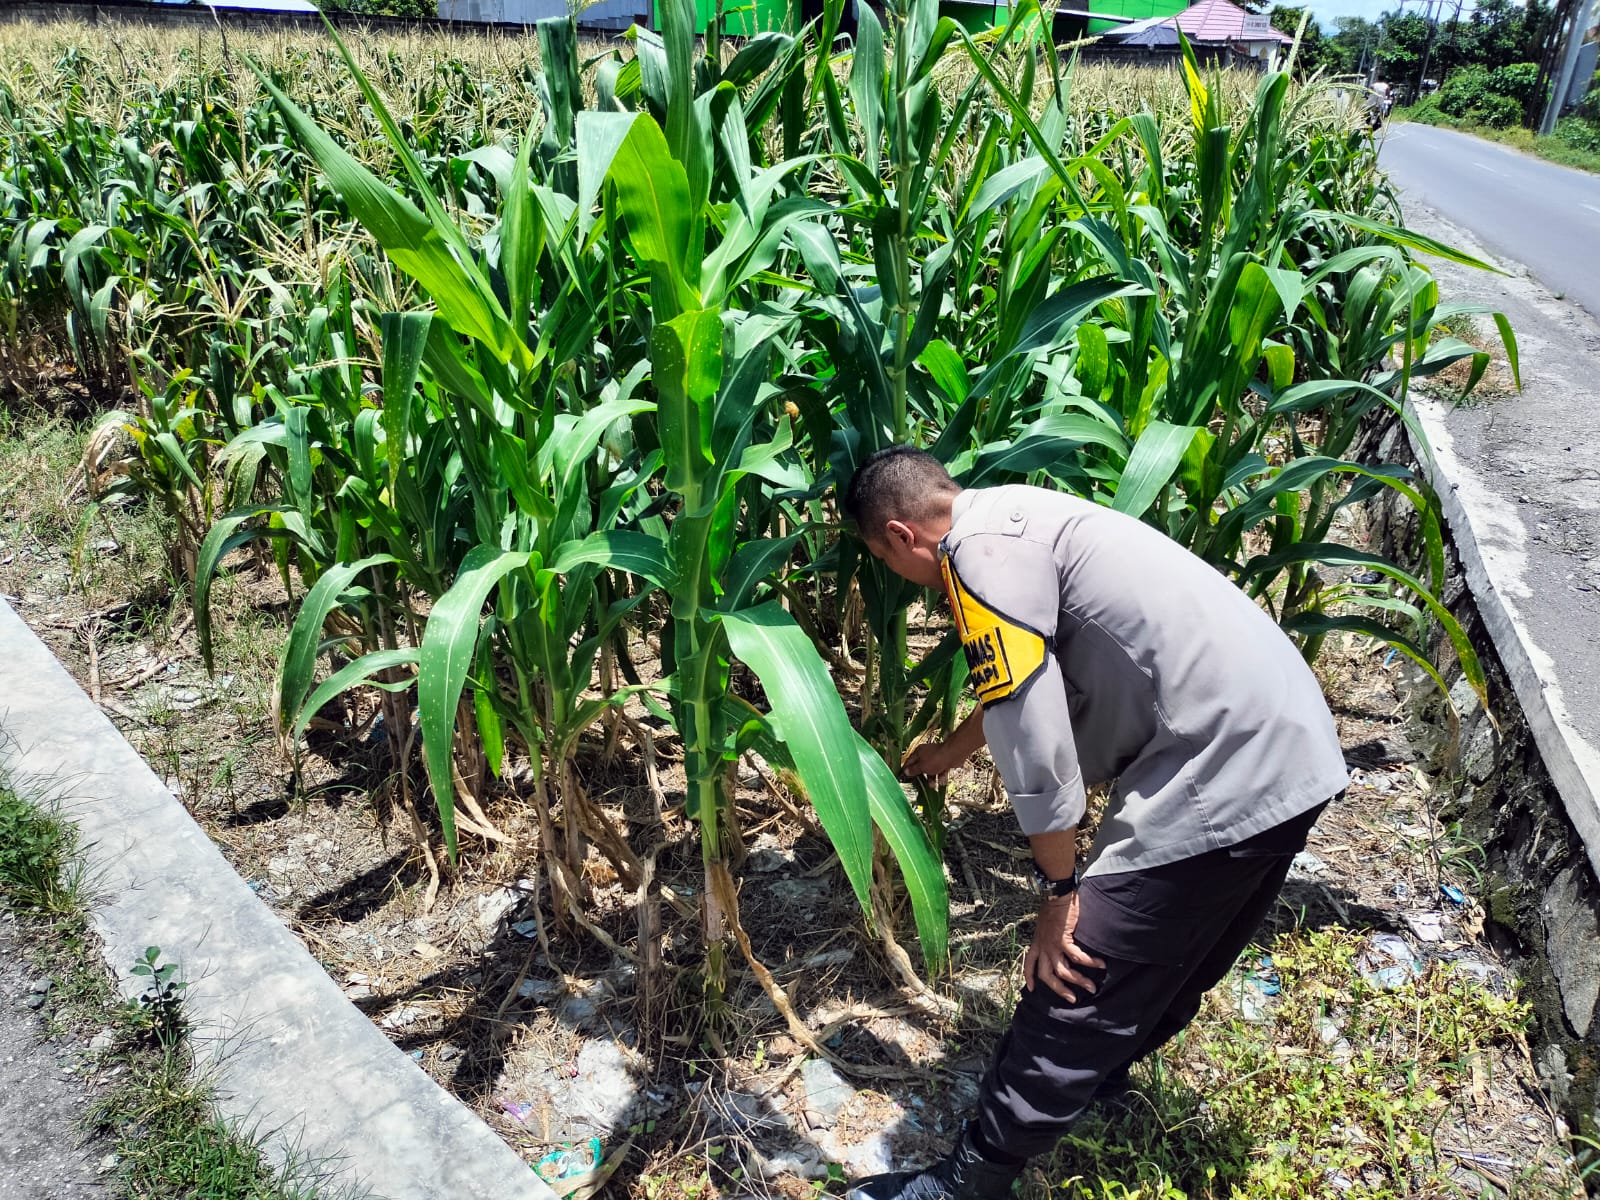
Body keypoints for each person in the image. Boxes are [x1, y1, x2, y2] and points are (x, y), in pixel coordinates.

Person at [839, 447, 1349, 1200]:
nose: (899, 578)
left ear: (900, 536)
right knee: (1179, 946)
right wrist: (949, 751)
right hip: (1289, 739)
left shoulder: (971, 561)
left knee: (1080, 965)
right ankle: (1095, 1083)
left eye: (884, 560)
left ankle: (969, 1181)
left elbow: (1033, 732)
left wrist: (1059, 889)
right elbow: (1021, 667)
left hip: (1225, 756)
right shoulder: (1015, 515)